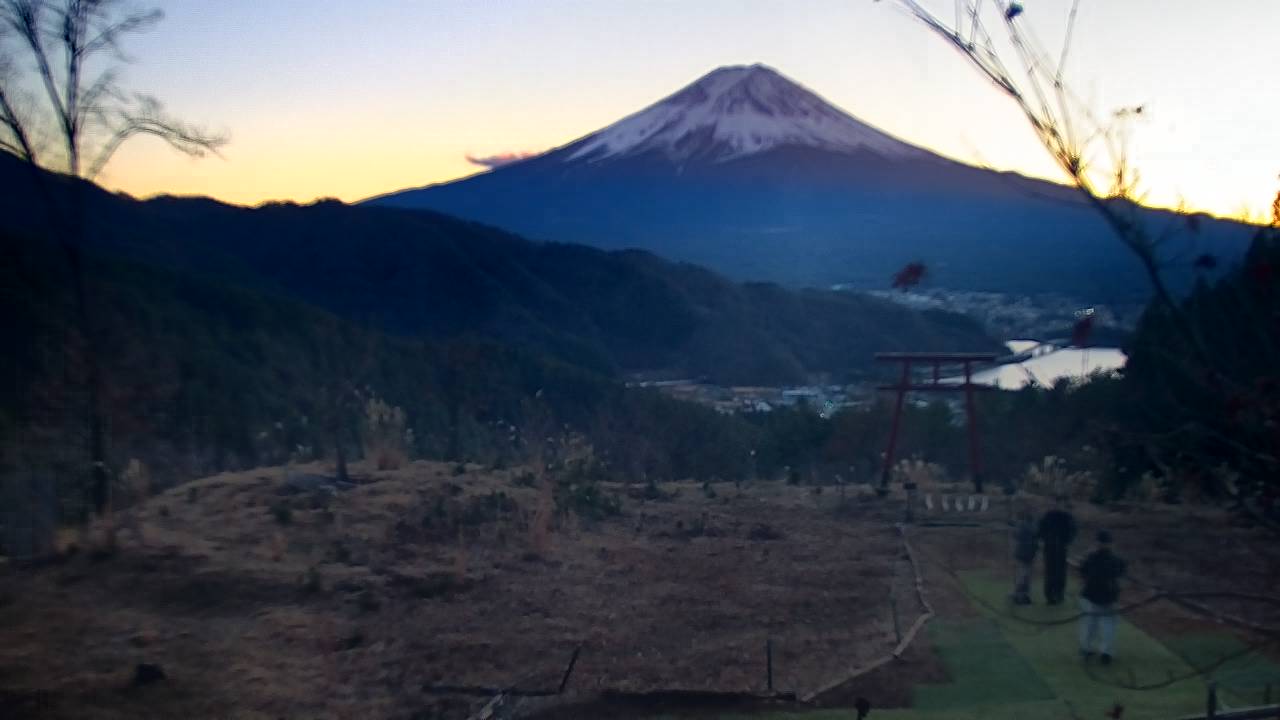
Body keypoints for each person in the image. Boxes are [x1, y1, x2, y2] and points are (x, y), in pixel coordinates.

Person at [1079, 530, 1126, 664]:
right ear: (1110, 544)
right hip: (1108, 596)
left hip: (1090, 594)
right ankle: (1106, 652)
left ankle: (1086, 648)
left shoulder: (1091, 557)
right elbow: (1121, 572)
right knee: (1108, 625)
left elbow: (1082, 571)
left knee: (1089, 624)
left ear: (1097, 543)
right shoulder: (1116, 560)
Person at [1037, 496, 1077, 605]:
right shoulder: (1048, 516)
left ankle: (1059, 594)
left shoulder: (1066, 517)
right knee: (1050, 572)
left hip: (1061, 547)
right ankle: (1049, 596)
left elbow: (1073, 530)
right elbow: (1040, 529)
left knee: (1060, 572)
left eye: (1058, 504)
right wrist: (1042, 539)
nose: (1056, 506)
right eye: (1054, 504)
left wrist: (1068, 541)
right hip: (1049, 547)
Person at [1011, 505, 1038, 605]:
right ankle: (1022, 595)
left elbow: (1016, 535)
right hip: (1028, 553)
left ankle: (1020, 594)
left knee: (1023, 574)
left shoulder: (1023, 525)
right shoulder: (1033, 526)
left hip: (1024, 553)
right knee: (1025, 574)